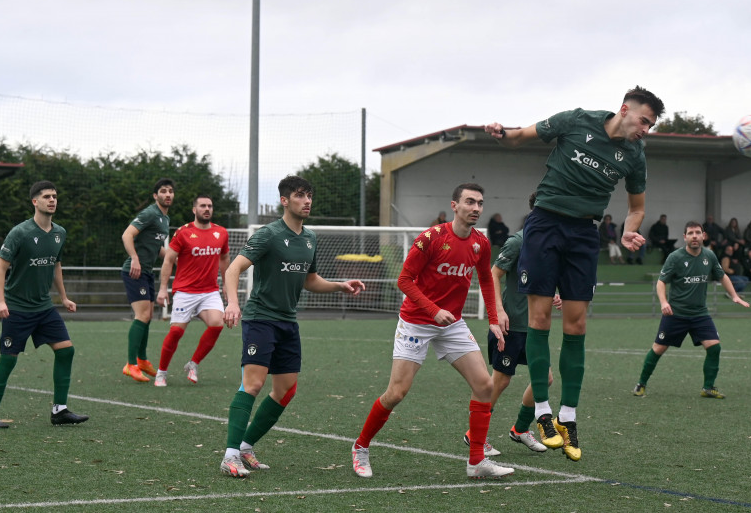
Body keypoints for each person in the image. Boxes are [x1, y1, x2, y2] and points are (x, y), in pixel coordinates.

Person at [484, 85, 664, 461]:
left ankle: (568, 416)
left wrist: (632, 228)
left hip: (584, 233)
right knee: (539, 316)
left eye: (651, 124)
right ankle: (542, 412)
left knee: (577, 324)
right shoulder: (577, 120)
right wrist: (503, 134)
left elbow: (637, 206)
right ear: (624, 109)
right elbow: (520, 137)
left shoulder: (635, 155)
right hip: (545, 225)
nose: (646, 129)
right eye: (644, 120)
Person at [352, 183, 512, 480]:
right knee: (396, 393)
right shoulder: (431, 238)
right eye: (469, 202)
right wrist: (432, 310)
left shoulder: (481, 242)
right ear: (454, 205)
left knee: (484, 386)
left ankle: (476, 462)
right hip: (416, 321)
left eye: (480, 203)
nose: (476, 208)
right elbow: (404, 280)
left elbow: (487, 281)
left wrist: (493, 317)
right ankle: (361, 447)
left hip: (451, 324)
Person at [219, 175, 364, 478]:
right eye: (300, 195)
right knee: (254, 383)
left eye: (309, 195)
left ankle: (246, 447)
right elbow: (233, 268)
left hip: (287, 321)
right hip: (261, 318)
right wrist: (232, 303)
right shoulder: (268, 234)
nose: (307, 200)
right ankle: (230, 455)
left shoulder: (309, 238)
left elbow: (310, 280)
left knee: (286, 390)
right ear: (284, 201)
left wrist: (340, 285)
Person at [0, 181, 88, 428]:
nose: (52, 200)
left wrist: (63, 297)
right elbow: (0, 267)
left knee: (66, 350)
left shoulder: (60, 232)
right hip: (17, 308)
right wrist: (0, 300)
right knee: (8, 360)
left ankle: (60, 411)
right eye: (47, 196)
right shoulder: (20, 232)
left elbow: (56, 265)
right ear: (34, 202)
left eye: (55, 196)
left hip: (44, 308)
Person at [476, 191, 558, 455]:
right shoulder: (517, 242)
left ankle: (520, 429)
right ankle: (475, 436)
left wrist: (553, 292)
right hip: (511, 326)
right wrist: (498, 311)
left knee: (544, 379)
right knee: (500, 382)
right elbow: (492, 275)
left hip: (534, 327)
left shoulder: (549, 244)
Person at [632, 221, 749, 399]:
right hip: (675, 314)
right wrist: (664, 302)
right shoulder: (675, 257)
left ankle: (708, 388)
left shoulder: (709, 256)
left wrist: (734, 295)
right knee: (658, 349)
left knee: (714, 348)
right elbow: (661, 282)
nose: (694, 236)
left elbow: (722, 275)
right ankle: (641, 383)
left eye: (697, 233)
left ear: (703, 236)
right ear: (684, 237)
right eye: (690, 233)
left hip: (700, 314)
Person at [154, 194, 230, 387]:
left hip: (210, 292)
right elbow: (168, 260)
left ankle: (193, 364)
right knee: (177, 332)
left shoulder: (221, 233)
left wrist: (227, 288)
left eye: (210, 206)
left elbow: (224, 260)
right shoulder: (183, 232)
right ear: (194, 210)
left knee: (217, 324)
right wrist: (163, 289)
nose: (207, 209)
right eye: (203, 206)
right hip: (185, 292)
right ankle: (161, 372)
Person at [121, 178, 174, 382]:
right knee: (142, 315)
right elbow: (127, 235)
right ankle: (130, 364)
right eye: (163, 191)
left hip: (147, 272)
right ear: (155, 195)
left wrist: (173, 257)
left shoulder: (164, 219)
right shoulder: (150, 213)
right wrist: (134, 258)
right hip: (134, 272)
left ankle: (142, 361)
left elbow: (156, 248)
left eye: (170, 191)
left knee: (148, 315)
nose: (167, 194)